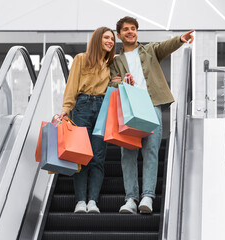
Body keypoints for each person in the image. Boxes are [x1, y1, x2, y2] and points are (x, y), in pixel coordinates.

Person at [110, 16, 194, 214]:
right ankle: (130, 199)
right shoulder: (115, 61)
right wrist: (122, 82)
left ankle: (147, 196)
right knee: (127, 154)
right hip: (129, 107)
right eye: (126, 29)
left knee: (152, 150)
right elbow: (111, 83)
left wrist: (180, 39)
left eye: (133, 28)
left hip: (152, 103)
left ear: (136, 32)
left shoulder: (149, 50)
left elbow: (165, 46)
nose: (130, 32)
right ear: (119, 35)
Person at [58, 27, 128, 213]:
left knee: (98, 157)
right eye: (106, 37)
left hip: (103, 108)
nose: (110, 41)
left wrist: (122, 81)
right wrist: (66, 109)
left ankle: (92, 201)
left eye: (112, 39)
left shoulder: (112, 64)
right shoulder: (81, 59)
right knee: (81, 156)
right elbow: (72, 86)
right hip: (82, 107)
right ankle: (80, 201)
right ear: (97, 39)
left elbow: (114, 88)